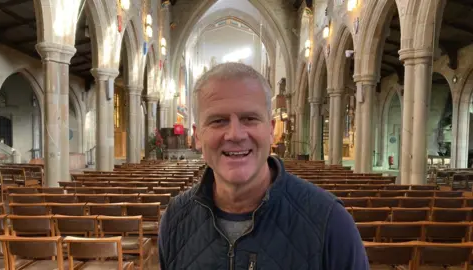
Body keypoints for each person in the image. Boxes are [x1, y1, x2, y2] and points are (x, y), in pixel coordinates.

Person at [158, 62, 369, 270]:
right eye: (218, 121)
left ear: (270, 129)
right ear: (197, 136)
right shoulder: (175, 219)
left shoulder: (330, 222)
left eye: (249, 118)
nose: (235, 134)